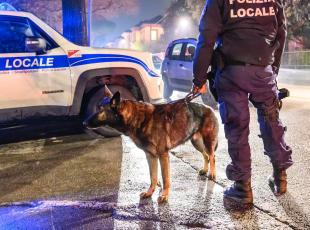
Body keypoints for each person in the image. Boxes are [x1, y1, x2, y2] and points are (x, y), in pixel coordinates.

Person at [192, 0, 293, 204]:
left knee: (237, 126)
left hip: (231, 72)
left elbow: (207, 38)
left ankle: (242, 187)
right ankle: (280, 177)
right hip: (262, 70)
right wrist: (273, 69)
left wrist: (199, 79)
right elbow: (281, 34)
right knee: (271, 120)